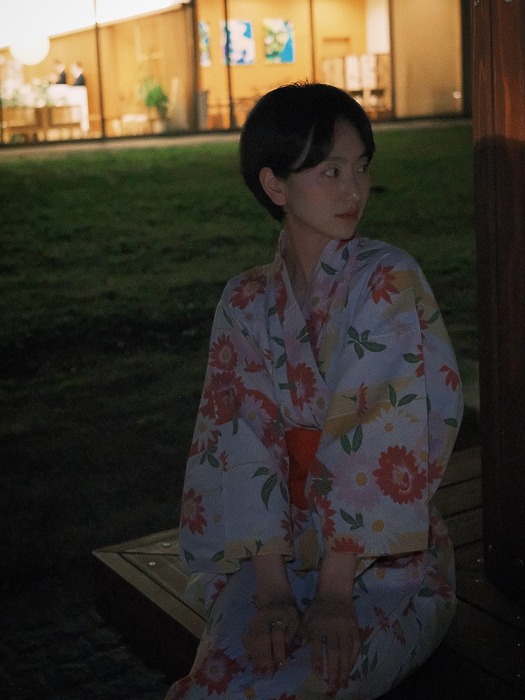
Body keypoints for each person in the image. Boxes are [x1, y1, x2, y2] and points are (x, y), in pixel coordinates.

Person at [165, 82, 463, 699]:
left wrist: (333, 594)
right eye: (331, 171)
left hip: (381, 559)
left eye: (361, 168)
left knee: (301, 683)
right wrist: (272, 591)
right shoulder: (246, 300)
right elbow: (240, 440)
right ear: (275, 186)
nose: (355, 190)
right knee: (216, 682)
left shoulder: (387, 280)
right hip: (271, 549)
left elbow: (377, 437)